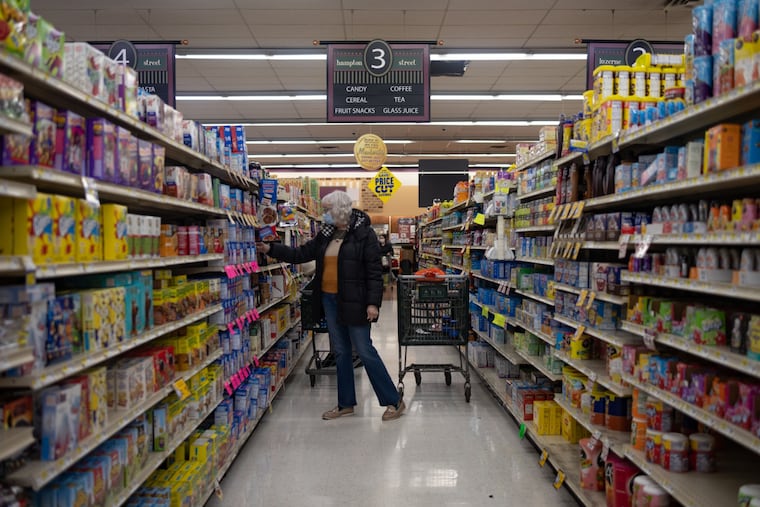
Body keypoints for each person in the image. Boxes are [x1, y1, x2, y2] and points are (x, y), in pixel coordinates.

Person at [256, 190, 405, 421]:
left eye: (327, 210)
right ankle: (345, 404)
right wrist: (271, 249)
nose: (324, 215)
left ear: (339, 210)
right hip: (330, 300)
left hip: (356, 302)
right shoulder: (326, 235)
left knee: (364, 351)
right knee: (342, 352)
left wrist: (373, 304)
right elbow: (300, 254)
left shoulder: (364, 235)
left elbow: (374, 273)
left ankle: (393, 400)